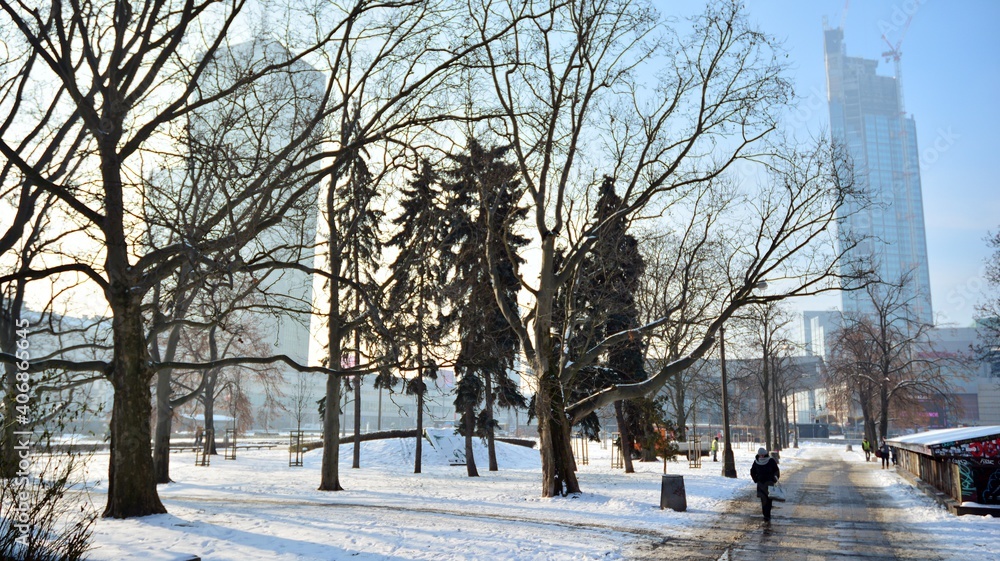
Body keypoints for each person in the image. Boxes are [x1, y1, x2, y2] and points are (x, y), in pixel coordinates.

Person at [750, 447, 780, 521]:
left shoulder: (771, 461)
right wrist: (756, 479)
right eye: (760, 455)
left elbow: (776, 470)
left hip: (769, 483)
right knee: (763, 500)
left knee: (769, 500)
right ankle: (765, 515)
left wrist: (774, 479)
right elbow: (752, 471)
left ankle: (768, 514)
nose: (762, 456)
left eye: (763, 455)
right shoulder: (756, 462)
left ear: (765, 454)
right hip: (761, 484)